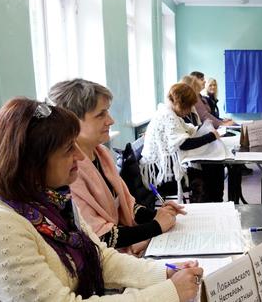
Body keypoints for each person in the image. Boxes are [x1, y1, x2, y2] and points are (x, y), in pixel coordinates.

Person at [0, 97, 202, 301]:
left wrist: (166, 274)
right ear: (33, 163)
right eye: (67, 150)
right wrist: (168, 292)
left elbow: (102, 258)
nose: (80, 157)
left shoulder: (53, 200)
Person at [48, 79, 184, 255]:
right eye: (101, 115)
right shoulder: (69, 171)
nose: (111, 120)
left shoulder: (101, 153)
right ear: (72, 121)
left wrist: (158, 214)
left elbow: (127, 204)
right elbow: (99, 237)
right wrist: (156, 225)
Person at [141, 83, 225, 203]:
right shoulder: (167, 116)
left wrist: (204, 129)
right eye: (188, 106)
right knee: (209, 172)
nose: (190, 110)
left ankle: (216, 204)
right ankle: (211, 206)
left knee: (214, 167)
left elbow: (186, 130)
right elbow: (184, 144)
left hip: (166, 166)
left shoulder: (170, 113)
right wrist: (210, 136)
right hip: (161, 174)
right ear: (180, 103)